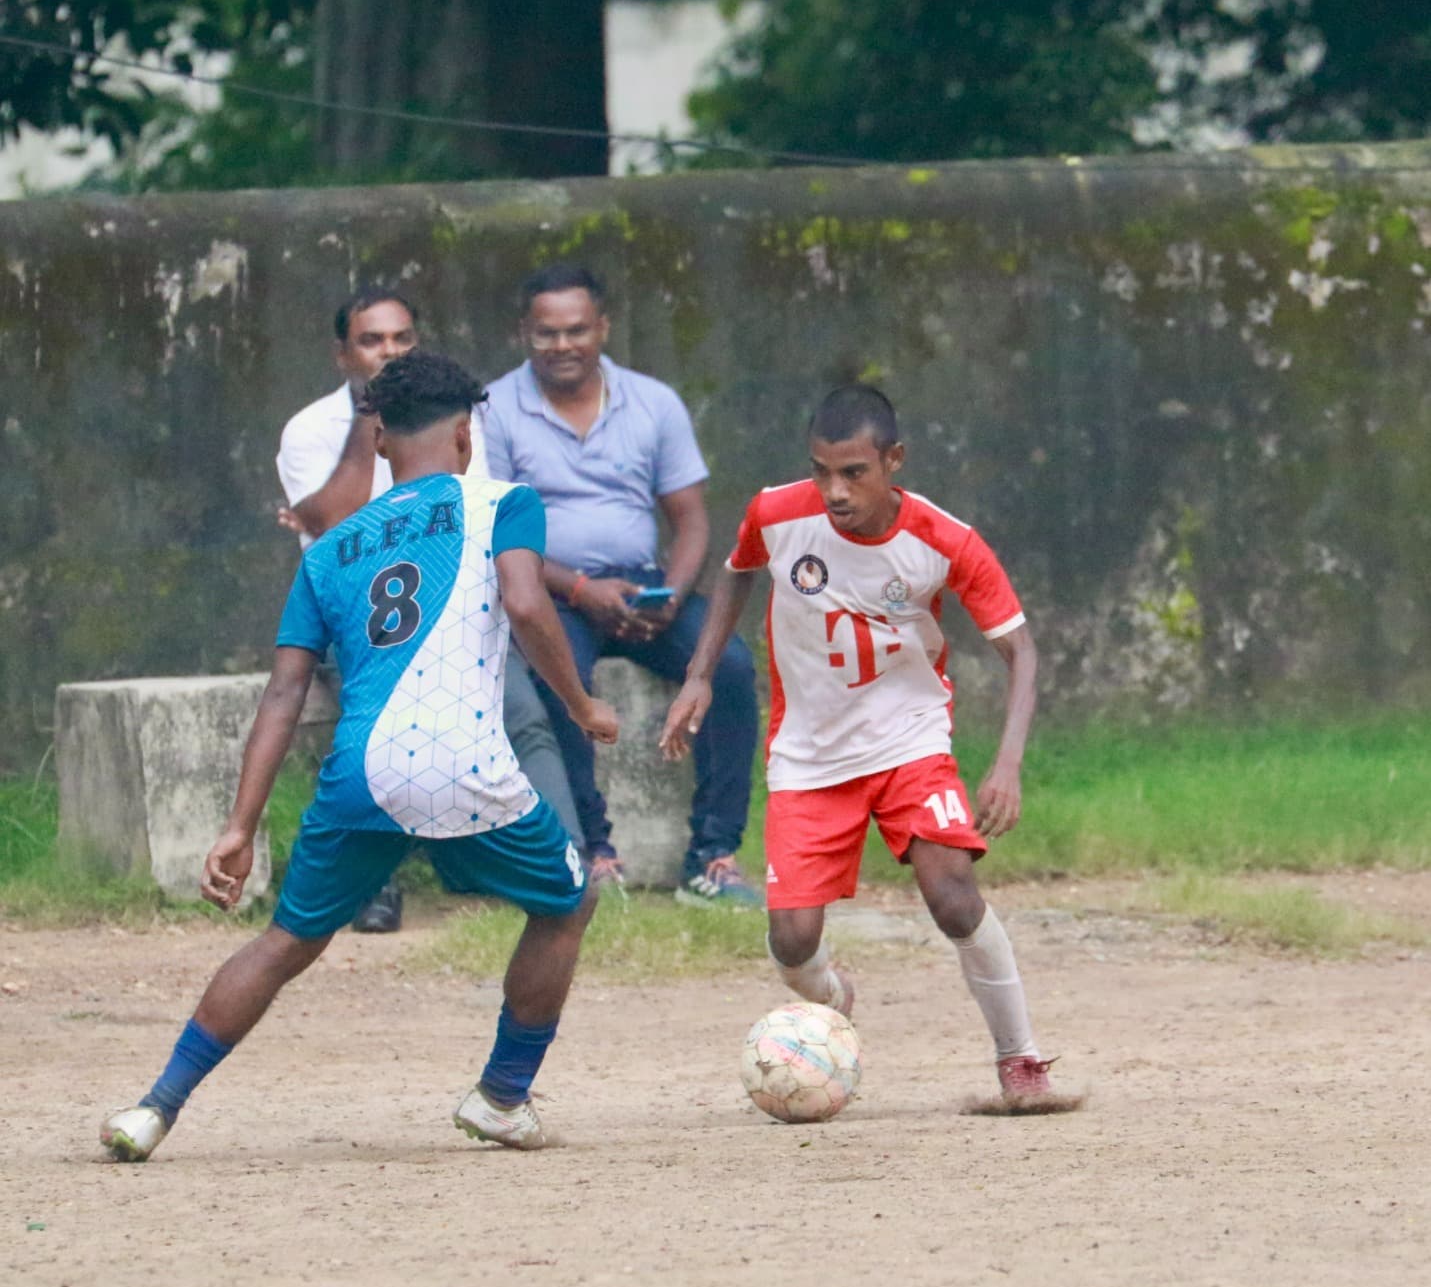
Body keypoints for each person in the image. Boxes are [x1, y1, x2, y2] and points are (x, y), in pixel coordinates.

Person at [100, 350, 618, 1163]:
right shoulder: (501, 503)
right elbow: (524, 600)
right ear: (464, 432)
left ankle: (152, 1108)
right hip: (461, 763)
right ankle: (501, 1096)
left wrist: (240, 826)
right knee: (567, 902)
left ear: (377, 442)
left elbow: (282, 695)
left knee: (285, 942)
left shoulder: (330, 550)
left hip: (360, 775)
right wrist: (582, 707)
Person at [660, 384, 1079, 1111]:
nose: (833, 490)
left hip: (908, 741)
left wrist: (1006, 761)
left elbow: (1022, 652)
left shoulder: (945, 540)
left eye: (852, 472)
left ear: (893, 460)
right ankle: (833, 1000)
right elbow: (735, 573)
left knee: (951, 896)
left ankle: (1021, 1063)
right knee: (791, 941)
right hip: (809, 757)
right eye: (821, 470)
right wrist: (698, 675)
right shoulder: (775, 512)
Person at [276, 285, 585, 932]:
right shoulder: (310, 429)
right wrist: (375, 418)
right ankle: (372, 885)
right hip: (358, 631)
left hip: (459, 612)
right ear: (342, 354)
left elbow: (472, 511)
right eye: (371, 340)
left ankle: (571, 858)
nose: (387, 351)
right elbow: (335, 524)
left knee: (524, 715)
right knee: (373, 722)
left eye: (400, 339)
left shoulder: (454, 417)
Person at [483, 262, 760, 905]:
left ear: (603, 328)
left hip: (643, 589)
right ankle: (594, 852)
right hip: (549, 593)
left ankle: (713, 857)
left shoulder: (654, 403)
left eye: (577, 330)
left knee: (731, 666)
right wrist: (580, 590)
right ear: (525, 333)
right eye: (547, 333)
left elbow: (691, 521)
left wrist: (669, 594)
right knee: (556, 679)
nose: (563, 346)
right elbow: (493, 533)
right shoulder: (494, 409)